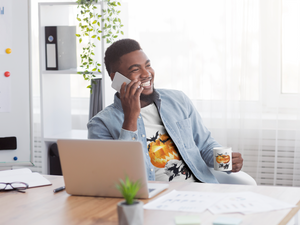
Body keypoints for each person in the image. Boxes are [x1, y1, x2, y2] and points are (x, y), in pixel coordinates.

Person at [87, 38, 243, 183]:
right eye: (135, 70)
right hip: (150, 202)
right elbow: (114, 177)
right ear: (117, 79)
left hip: (199, 191)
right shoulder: (101, 124)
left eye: (148, 65)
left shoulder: (178, 100)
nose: (147, 74)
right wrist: (131, 117)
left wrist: (227, 162)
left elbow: (204, 145)